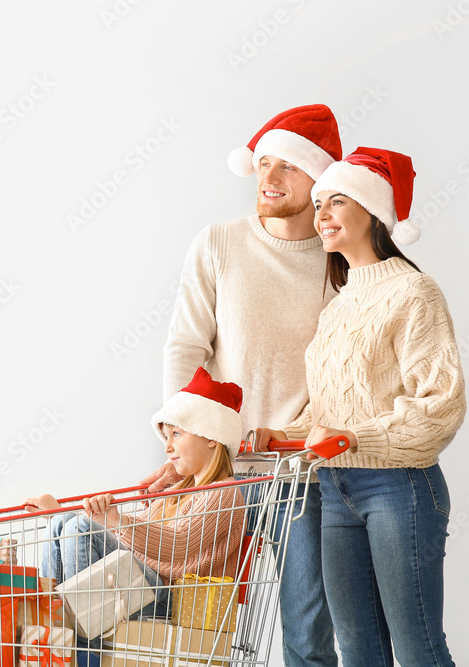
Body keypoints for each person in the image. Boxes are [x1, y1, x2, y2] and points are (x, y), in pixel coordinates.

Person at [256, 147, 465, 666]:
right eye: (319, 202)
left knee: (418, 648)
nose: (321, 214)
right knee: (359, 650)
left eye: (337, 201)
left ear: (373, 213)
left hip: (398, 487)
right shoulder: (339, 304)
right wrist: (278, 434)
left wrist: (356, 438)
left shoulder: (414, 292)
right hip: (334, 486)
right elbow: (329, 410)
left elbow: (440, 406)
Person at [149, 104, 341, 666]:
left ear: (321, 178)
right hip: (222, 470)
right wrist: (183, 440)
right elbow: (186, 347)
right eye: (263, 164)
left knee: (305, 636)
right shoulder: (218, 243)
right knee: (196, 630)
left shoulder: (342, 262)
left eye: (289, 167)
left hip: (301, 477)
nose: (270, 179)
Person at [26, 369, 246, 640]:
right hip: (142, 588)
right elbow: (131, 543)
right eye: (167, 437)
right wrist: (63, 514)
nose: (167, 447)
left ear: (211, 437)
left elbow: (179, 545)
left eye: (176, 434)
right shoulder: (175, 491)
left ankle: (82, 646)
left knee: (81, 528)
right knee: (64, 523)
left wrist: (116, 521)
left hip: (176, 600)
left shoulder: (225, 494)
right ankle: (56, 631)